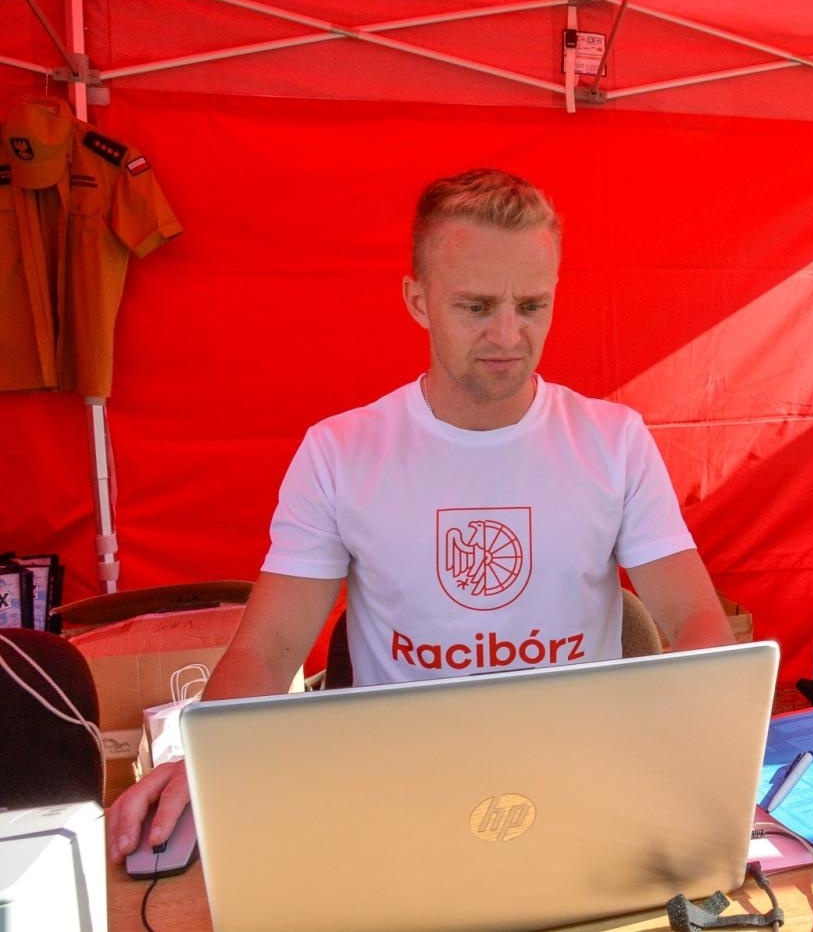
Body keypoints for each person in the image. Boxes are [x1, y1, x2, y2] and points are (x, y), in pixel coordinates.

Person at [108, 168, 733, 861]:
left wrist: (712, 743)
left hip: (585, 792)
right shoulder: (341, 453)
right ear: (416, 299)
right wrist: (204, 757)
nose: (507, 334)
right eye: (475, 306)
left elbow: (693, 618)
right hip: (403, 800)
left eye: (531, 305)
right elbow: (270, 647)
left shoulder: (614, 441)